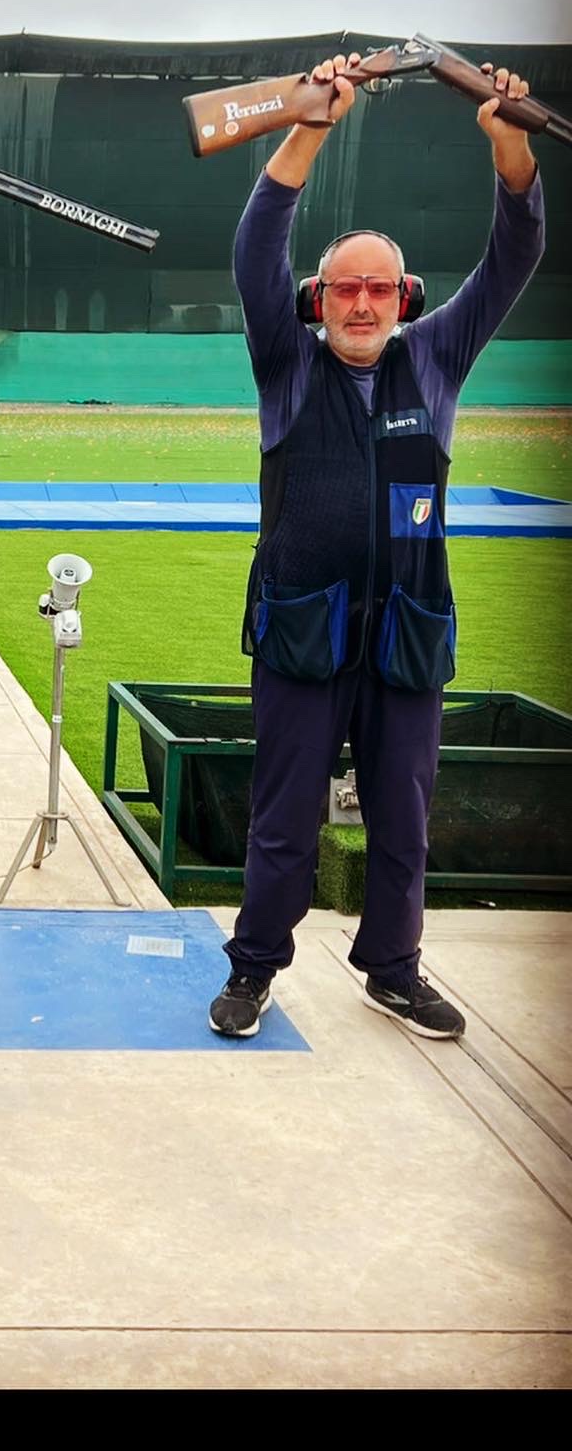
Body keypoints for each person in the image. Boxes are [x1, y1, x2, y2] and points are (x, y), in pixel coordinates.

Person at [209, 55, 545, 1040]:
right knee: (283, 826)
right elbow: (255, 245)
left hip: (405, 641)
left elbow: (515, 254)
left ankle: (393, 968)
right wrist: (309, 124)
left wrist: (507, 141)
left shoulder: (437, 356)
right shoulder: (286, 362)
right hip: (305, 640)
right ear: (321, 299)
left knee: (404, 826)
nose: (363, 305)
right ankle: (254, 968)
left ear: (406, 296)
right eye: (346, 289)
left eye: (381, 290)